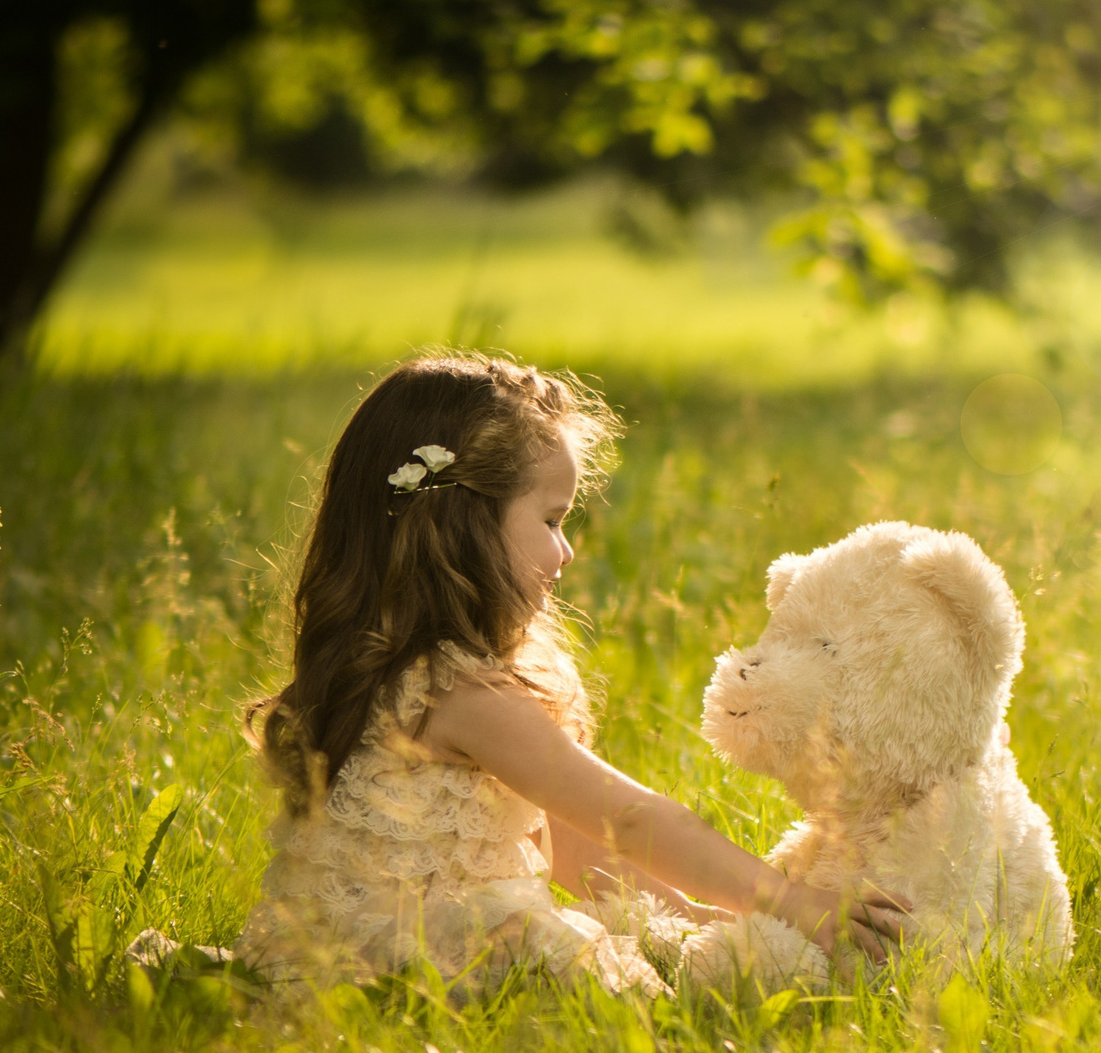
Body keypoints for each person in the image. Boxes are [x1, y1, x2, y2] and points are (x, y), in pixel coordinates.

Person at [239, 352, 907, 995]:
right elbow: (628, 817)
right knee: (562, 963)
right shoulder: (462, 693)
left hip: (332, 947)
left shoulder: (392, 672)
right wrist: (788, 899)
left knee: (624, 947)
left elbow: (561, 841)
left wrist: (681, 919)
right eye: (552, 519)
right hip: (414, 956)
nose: (568, 549)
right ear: (461, 522)